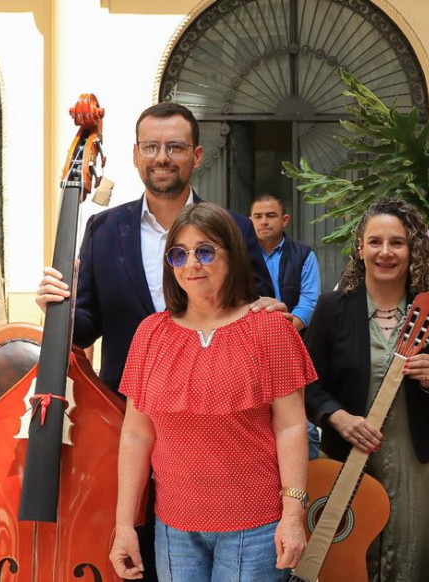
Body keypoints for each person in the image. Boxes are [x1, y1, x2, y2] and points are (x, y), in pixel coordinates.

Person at [35, 102, 281, 581]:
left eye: (175, 147)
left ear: (197, 155)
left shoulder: (233, 226)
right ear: (135, 155)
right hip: (124, 417)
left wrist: (278, 313)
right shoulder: (103, 229)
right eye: (152, 146)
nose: (162, 157)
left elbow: (259, 309)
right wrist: (57, 309)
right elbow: (86, 325)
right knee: (136, 547)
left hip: (216, 432)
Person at [109, 203, 316, 581]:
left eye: (205, 251)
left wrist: (293, 515)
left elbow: (290, 427)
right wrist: (124, 526)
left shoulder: (269, 329)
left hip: (254, 528)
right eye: (179, 254)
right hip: (174, 529)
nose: (192, 264)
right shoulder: (150, 334)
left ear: (233, 256)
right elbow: (137, 434)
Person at [303, 198, 429, 581]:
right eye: (375, 242)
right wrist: (338, 419)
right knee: (345, 561)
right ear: (360, 246)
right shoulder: (331, 309)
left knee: (411, 560)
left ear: (413, 250)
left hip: (413, 458)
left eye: (398, 242)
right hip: (344, 454)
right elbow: (307, 384)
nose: (385, 252)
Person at [250, 192, 322, 460]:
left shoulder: (303, 255)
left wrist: (291, 324)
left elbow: (310, 298)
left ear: (285, 220)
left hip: (295, 345)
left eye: (271, 216)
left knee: (300, 420)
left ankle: (308, 479)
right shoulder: (241, 257)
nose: (264, 221)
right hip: (252, 348)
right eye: (258, 216)